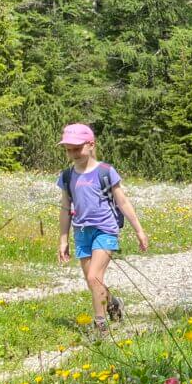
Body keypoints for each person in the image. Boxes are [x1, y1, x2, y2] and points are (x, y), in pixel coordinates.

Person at [56, 123, 149, 335]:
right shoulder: (67, 176)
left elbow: (123, 202)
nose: (73, 154)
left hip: (105, 230)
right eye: (68, 150)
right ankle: (114, 304)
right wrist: (63, 240)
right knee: (93, 282)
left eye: (77, 148)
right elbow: (64, 208)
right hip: (81, 232)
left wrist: (139, 230)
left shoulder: (105, 172)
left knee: (93, 278)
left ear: (91, 145)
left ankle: (100, 327)